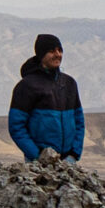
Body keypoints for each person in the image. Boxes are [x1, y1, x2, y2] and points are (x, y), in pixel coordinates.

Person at [8, 33, 85, 163]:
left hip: (68, 161)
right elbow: (16, 126)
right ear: (41, 54)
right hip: (38, 163)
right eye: (51, 51)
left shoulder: (69, 83)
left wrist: (74, 154)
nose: (57, 54)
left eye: (60, 50)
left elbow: (79, 121)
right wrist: (37, 156)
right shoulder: (27, 86)